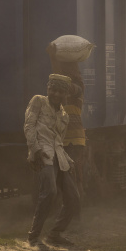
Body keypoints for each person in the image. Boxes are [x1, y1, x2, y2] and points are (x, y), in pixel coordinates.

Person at [24, 74, 81, 247]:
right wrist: (35, 150)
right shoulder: (38, 101)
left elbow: (59, 142)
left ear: (66, 95)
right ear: (48, 89)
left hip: (59, 157)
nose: (56, 94)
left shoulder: (65, 115)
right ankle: (33, 236)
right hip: (43, 154)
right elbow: (29, 126)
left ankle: (55, 234)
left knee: (74, 199)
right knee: (49, 192)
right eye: (53, 90)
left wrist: (68, 160)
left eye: (60, 91)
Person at [46, 44, 86, 195]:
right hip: (62, 137)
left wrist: (53, 59)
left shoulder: (78, 86)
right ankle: (69, 210)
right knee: (65, 176)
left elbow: (63, 84)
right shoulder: (66, 88)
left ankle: (76, 212)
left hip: (74, 138)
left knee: (73, 175)